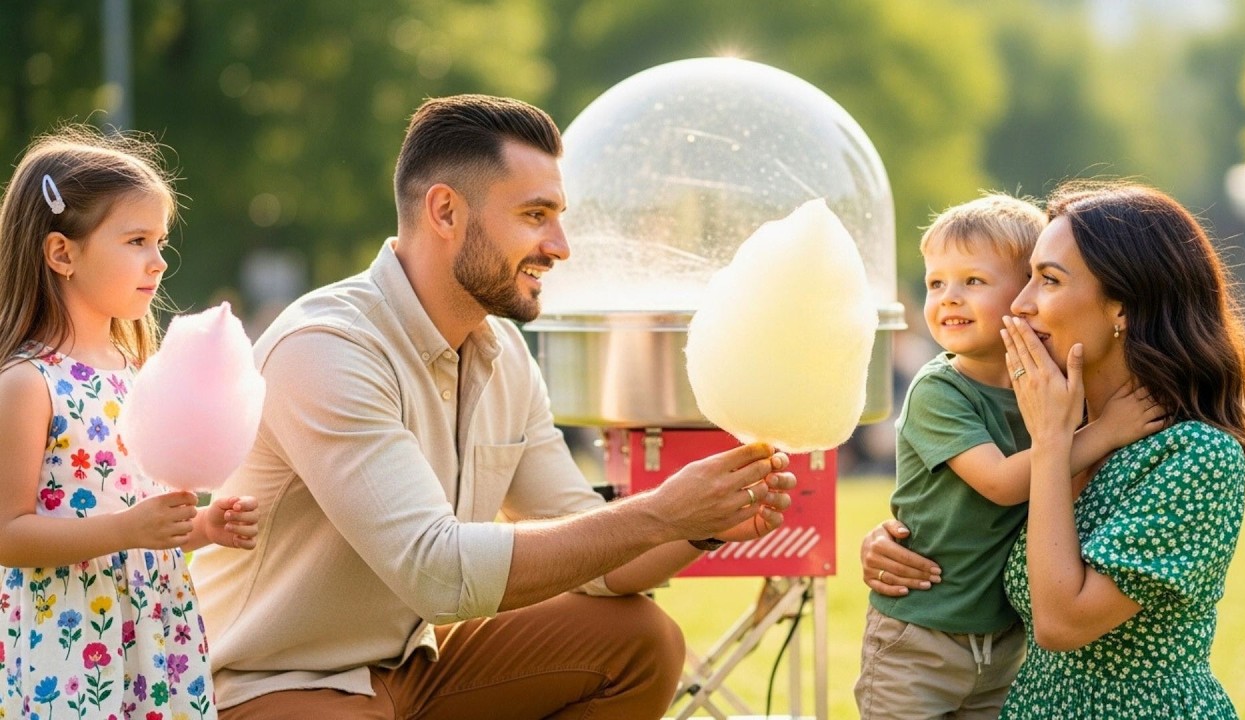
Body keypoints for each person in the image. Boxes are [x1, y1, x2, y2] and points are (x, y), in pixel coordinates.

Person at [189, 94, 798, 720]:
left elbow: (594, 557)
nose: (560, 246)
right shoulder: (326, 348)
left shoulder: (504, 353)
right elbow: (438, 574)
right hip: (266, 684)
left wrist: (695, 524)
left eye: (558, 217)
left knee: (640, 642)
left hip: (410, 666)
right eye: (535, 215)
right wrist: (659, 510)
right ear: (446, 211)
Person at [853, 193, 1163, 720]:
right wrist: (1106, 432)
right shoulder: (939, 390)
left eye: (973, 281)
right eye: (935, 283)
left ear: (1026, 293)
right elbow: (999, 482)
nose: (949, 298)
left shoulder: (1053, 385)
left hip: (1002, 643)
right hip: (920, 634)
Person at [0, 127, 261, 718]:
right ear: (62, 253)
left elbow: (143, 519)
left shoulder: (144, 370)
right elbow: (8, 534)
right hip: (71, 641)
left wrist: (201, 525)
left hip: (155, 632)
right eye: (137, 240)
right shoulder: (28, 383)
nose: (159, 260)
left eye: (160, 241)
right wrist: (128, 530)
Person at [996, 181, 1245, 718]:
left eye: (1049, 280)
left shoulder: (1197, 457)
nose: (1020, 305)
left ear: (1123, 307)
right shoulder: (1060, 428)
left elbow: (1061, 623)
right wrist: (901, 546)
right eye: (1028, 278)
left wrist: (1051, 444)